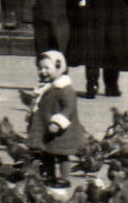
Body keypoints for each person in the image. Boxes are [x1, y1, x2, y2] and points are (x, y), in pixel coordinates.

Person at [24, 50, 88, 189]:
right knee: (47, 152)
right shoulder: (44, 87)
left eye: (47, 68)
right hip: (45, 126)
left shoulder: (65, 89)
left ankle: (65, 178)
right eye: (40, 68)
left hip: (60, 130)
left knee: (61, 154)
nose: (43, 71)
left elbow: (69, 107)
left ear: (60, 67)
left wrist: (58, 122)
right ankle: (51, 175)